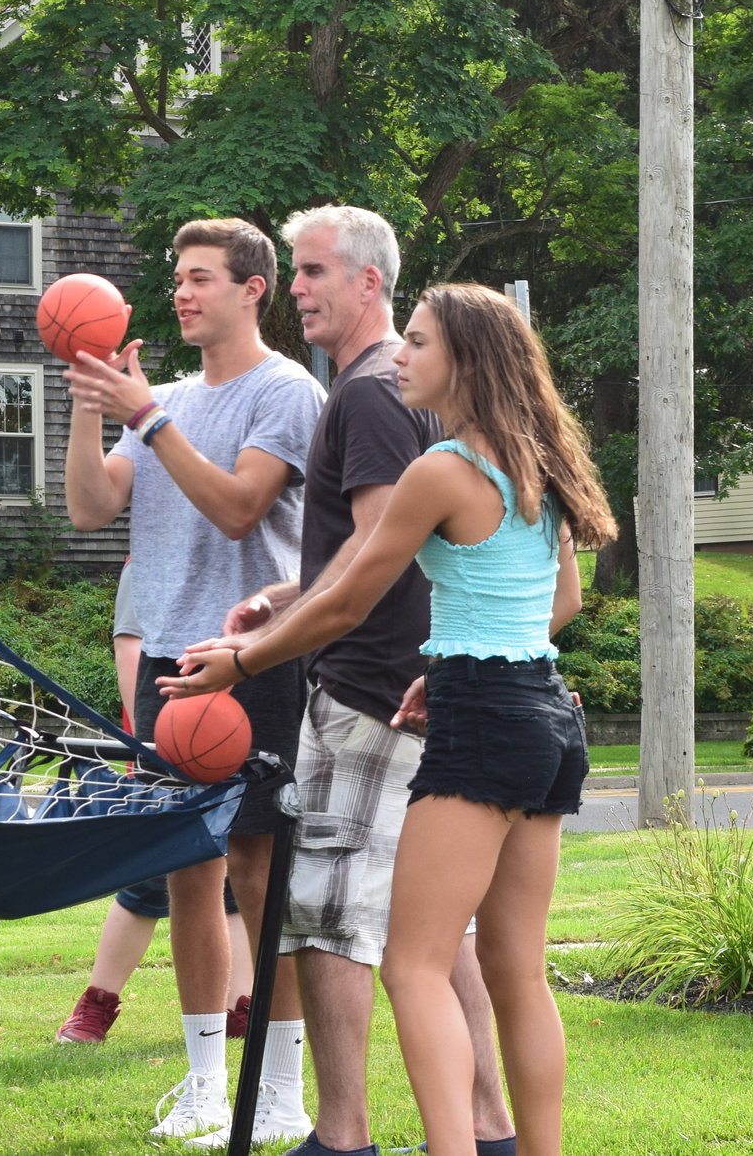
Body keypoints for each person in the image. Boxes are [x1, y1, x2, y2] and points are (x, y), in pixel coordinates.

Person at [160, 283, 614, 1156]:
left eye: (417, 341)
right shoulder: (539, 464)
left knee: (412, 964)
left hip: (485, 724)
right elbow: (561, 600)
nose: (399, 357)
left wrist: (242, 661)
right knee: (515, 969)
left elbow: (348, 602)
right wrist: (445, 669)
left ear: (465, 361)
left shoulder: (442, 468)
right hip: (548, 716)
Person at [202, 206, 516, 1156]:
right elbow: (382, 545)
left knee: (330, 918)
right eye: (294, 272)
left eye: (311, 271)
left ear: (368, 281)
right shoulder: (421, 386)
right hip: (422, 685)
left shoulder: (373, 390)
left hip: (369, 692)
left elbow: (379, 563)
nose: (295, 287)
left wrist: (275, 639)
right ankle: (488, 1127)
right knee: (431, 930)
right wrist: (286, 592)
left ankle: (341, 1138)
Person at [63, 218, 324, 1144]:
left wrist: (146, 415)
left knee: (259, 871)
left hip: (254, 653)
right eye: (177, 277)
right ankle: (208, 1082)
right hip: (169, 661)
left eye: (202, 277)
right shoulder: (162, 394)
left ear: (253, 289)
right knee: (184, 873)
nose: (182, 292)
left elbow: (239, 505)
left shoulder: (284, 389)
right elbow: (92, 504)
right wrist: (93, 398)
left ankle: (283, 1089)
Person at [57, 628, 256, 1045]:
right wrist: (147, 738)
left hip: (251, 686)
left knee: (244, 867)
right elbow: (129, 643)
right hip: (174, 710)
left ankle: (241, 1006)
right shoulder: (150, 567)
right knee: (153, 871)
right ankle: (98, 1003)